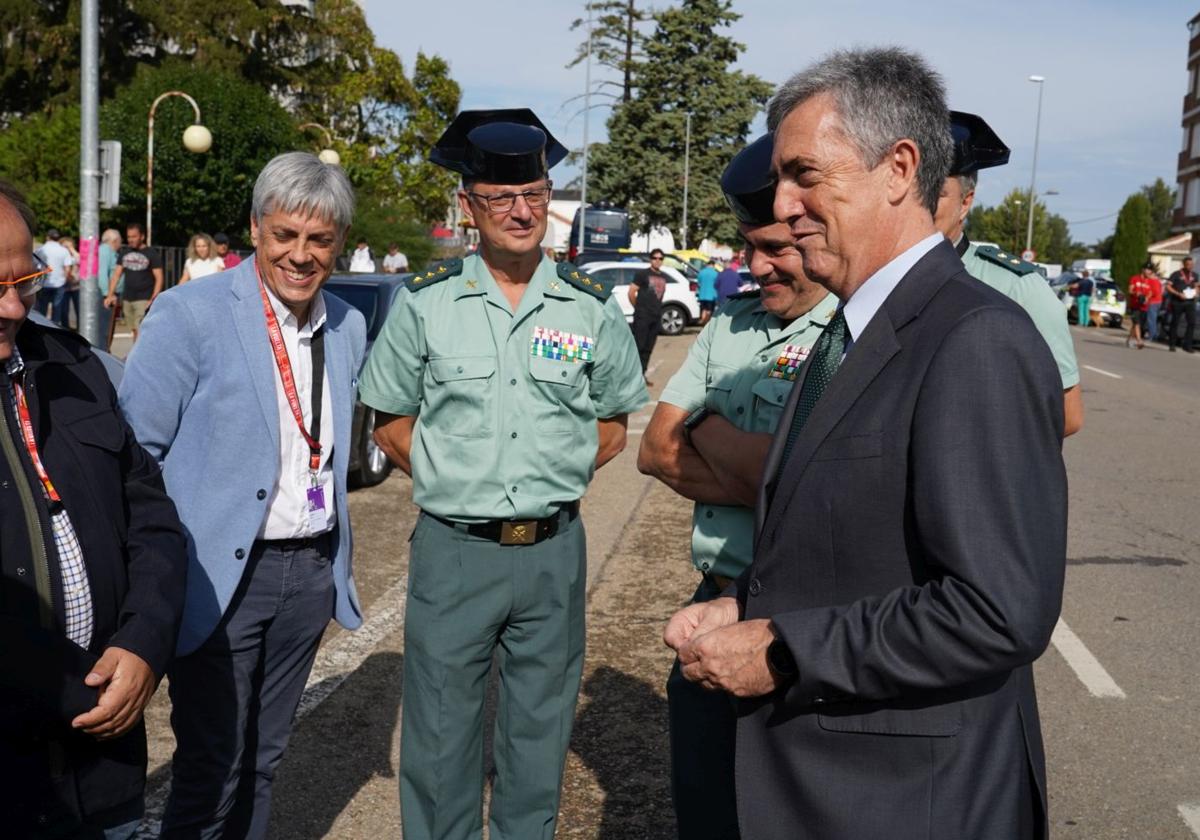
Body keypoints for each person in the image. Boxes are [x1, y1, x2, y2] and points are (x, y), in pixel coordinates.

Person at [665, 48, 1067, 840]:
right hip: (832, 788)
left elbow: (997, 611)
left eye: (805, 175)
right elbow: (852, 550)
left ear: (898, 168)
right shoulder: (851, 333)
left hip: (911, 802)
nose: (781, 204)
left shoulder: (974, 337)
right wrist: (738, 609)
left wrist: (782, 649)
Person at [358, 108, 647, 840]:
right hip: (457, 552)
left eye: (536, 195)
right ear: (469, 207)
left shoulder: (587, 307)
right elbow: (389, 415)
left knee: (537, 739)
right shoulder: (426, 302)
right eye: (501, 198)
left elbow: (615, 416)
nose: (522, 212)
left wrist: (560, 468)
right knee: (440, 742)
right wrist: (454, 475)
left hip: (553, 552)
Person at [118, 152, 367, 838]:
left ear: (339, 242)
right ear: (256, 228)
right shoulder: (190, 314)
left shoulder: (348, 325)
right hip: (218, 578)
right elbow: (135, 456)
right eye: (285, 234)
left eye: (319, 240)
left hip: (310, 570)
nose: (300, 255)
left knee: (265, 761)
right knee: (212, 765)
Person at [639, 133, 838, 840]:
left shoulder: (848, 334)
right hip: (716, 591)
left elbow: (827, 490)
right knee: (705, 801)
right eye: (750, 246)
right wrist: (768, 472)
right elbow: (656, 450)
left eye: (775, 249)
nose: (757, 266)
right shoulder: (732, 318)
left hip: (811, 611)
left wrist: (712, 429)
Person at [0, 179, 187, 839]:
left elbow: (154, 522)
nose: (15, 306)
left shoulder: (76, 367)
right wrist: (82, 689)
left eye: (24, 280)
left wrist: (143, 644)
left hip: (106, 761)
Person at [935, 111, 1083, 435]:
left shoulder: (1017, 288)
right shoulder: (870, 277)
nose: (919, 203)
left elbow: (1067, 414)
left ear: (965, 203)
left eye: (936, 193)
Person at [103, 222, 162, 342]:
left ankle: (138, 357)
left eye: (134, 236)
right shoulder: (125, 252)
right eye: (129, 237)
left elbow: (159, 278)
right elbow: (116, 275)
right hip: (128, 298)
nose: (131, 239)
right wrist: (110, 295)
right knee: (134, 329)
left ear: (142, 236)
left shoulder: (151, 254)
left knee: (140, 329)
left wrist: (153, 299)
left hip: (144, 298)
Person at [629, 248, 669, 381]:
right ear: (651, 259)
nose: (657, 261)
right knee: (638, 346)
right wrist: (639, 308)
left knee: (648, 348)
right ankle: (632, 376)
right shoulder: (642, 274)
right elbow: (631, 292)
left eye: (660, 258)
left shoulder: (663, 276)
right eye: (655, 258)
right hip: (642, 316)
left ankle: (642, 375)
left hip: (656, 316)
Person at [34, 227, 71, 325]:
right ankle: (55, 329)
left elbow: (34, 267)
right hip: (60, 283)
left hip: (43, 283)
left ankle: (41, 327)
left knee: (42, 309)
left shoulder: (40, 250)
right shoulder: (64, 250)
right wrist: (65, 280)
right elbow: (67, 269)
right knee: (57, 309)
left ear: (47, 237)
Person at [97, 228, 122, 345]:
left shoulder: (108, 251)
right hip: (107, 295)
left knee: (107, 328)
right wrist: (108, 294)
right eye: (120, 241)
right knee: (105, 328)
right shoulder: (105, 251)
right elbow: (102, 273)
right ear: (115, 240)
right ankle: (103, 352)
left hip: (109, 294)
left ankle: (105, 349)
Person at [1166, 256, 1197, 352]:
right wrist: (1178, 294)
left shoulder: (1195, 275)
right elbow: (1168, 287)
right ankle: (1172, 344)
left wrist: (1196, 292)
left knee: (1191, 323)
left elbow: (1197, 286)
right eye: (1188, 264)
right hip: (1178, 301)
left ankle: (1187, 345)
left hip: (1190, 302)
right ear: (1184, 264)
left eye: (1191, 265)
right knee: (1175, 322)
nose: (1190, 266)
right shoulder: (1176, 274)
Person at [1126, 265, 1155, 349]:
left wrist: (1146, 298)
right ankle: (1139, 341)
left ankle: (1129, 339)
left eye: (1151, 270)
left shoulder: (1149, 281)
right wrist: (1136, 293)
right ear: (1143, 270)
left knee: (1136, 324)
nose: (1149, 272)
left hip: (1144, 306)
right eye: (1148, 269)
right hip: (1135, 305)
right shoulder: (1135, 278)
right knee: (1137, 322)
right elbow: (1130, 290)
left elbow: (1150, 292)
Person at [696, 258, 719, 324]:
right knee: (709, 310)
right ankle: (706, 322)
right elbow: (717, 284)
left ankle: (703, 321)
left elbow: (699, 283)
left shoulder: (701, 272)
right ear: (713, 265)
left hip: (702, 295)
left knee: (703, 309)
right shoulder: (715, 273)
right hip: (711, 295)